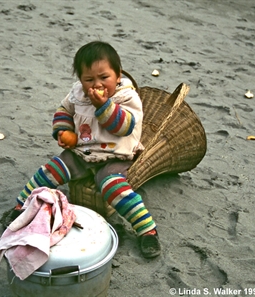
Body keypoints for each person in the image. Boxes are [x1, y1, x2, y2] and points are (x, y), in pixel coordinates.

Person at [15, 41, 161, 258]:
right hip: (83, 152)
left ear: (118, 75)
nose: (97, 84)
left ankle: (146, 229)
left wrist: (104, 106)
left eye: (104, 77)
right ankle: (21, 207)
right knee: (51, 170)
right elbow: (64, 109)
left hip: (115, 155)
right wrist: (63, 131)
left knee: (113, 187)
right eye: (89, 79)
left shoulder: (127, 97)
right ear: (80, 80)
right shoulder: (78, 94)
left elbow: (124, 127)